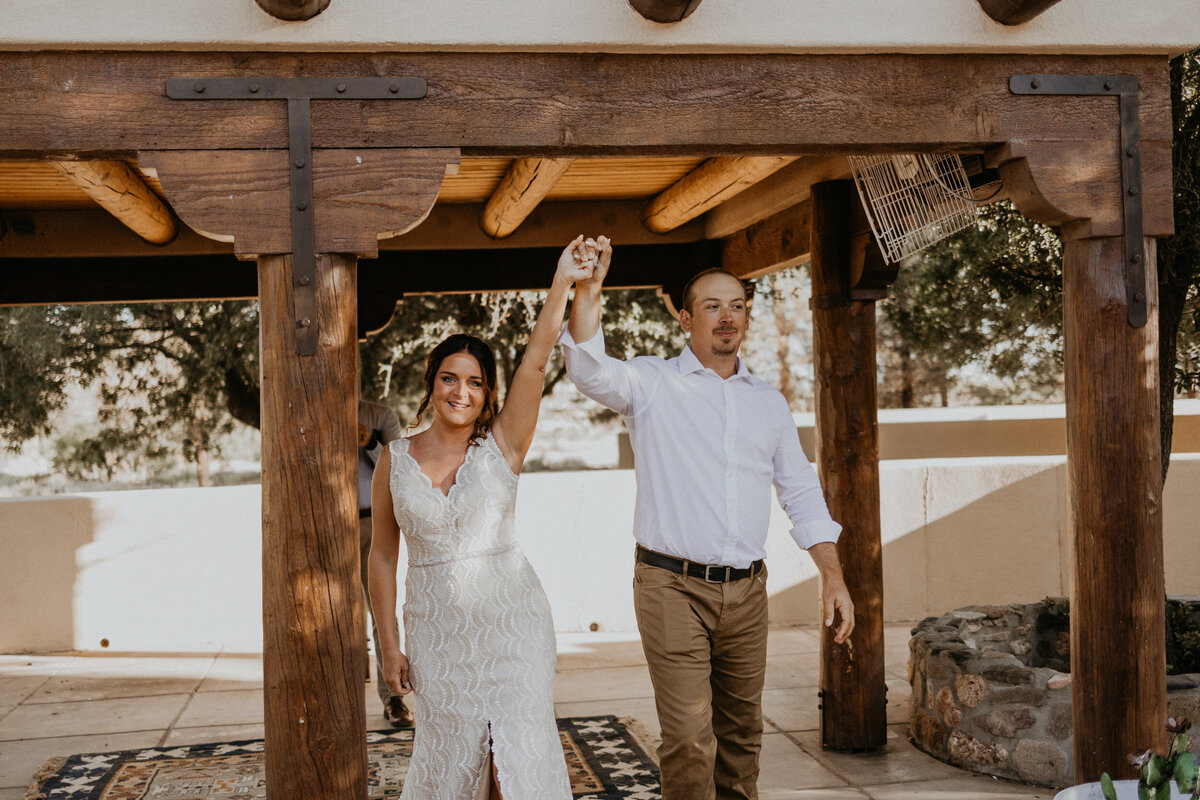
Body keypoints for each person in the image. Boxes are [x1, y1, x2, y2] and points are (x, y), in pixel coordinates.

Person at [561, 236, 856, 800]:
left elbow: (800, 491)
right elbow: (589, 369)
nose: (727, 317)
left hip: (747, 593)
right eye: (713, 306)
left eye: (738, 305)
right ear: (685, 318)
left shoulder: (767, 402)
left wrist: (833, 576)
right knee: (690, 739)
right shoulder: (650, 383)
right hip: (671, 586)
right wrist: (590, 290)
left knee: (743, 737)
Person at [367, 238, 595, 800]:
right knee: (454, 761)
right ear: (432, 382)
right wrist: (388, 645)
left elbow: (537, 358)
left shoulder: (504, 447)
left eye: (474, 382)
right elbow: (381, 555)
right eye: (449, 378)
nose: (460, 392)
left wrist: (563, 281)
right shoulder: (394, 460)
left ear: (488, 392)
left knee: (509, 762)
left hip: (513, 629)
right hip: (436, 632)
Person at [356, 398, 414, 729]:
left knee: (382, 613)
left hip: (370, 523)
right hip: (324, 525)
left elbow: (401, 469)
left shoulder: (379, 416)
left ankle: (393, 700)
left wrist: (369, 442)